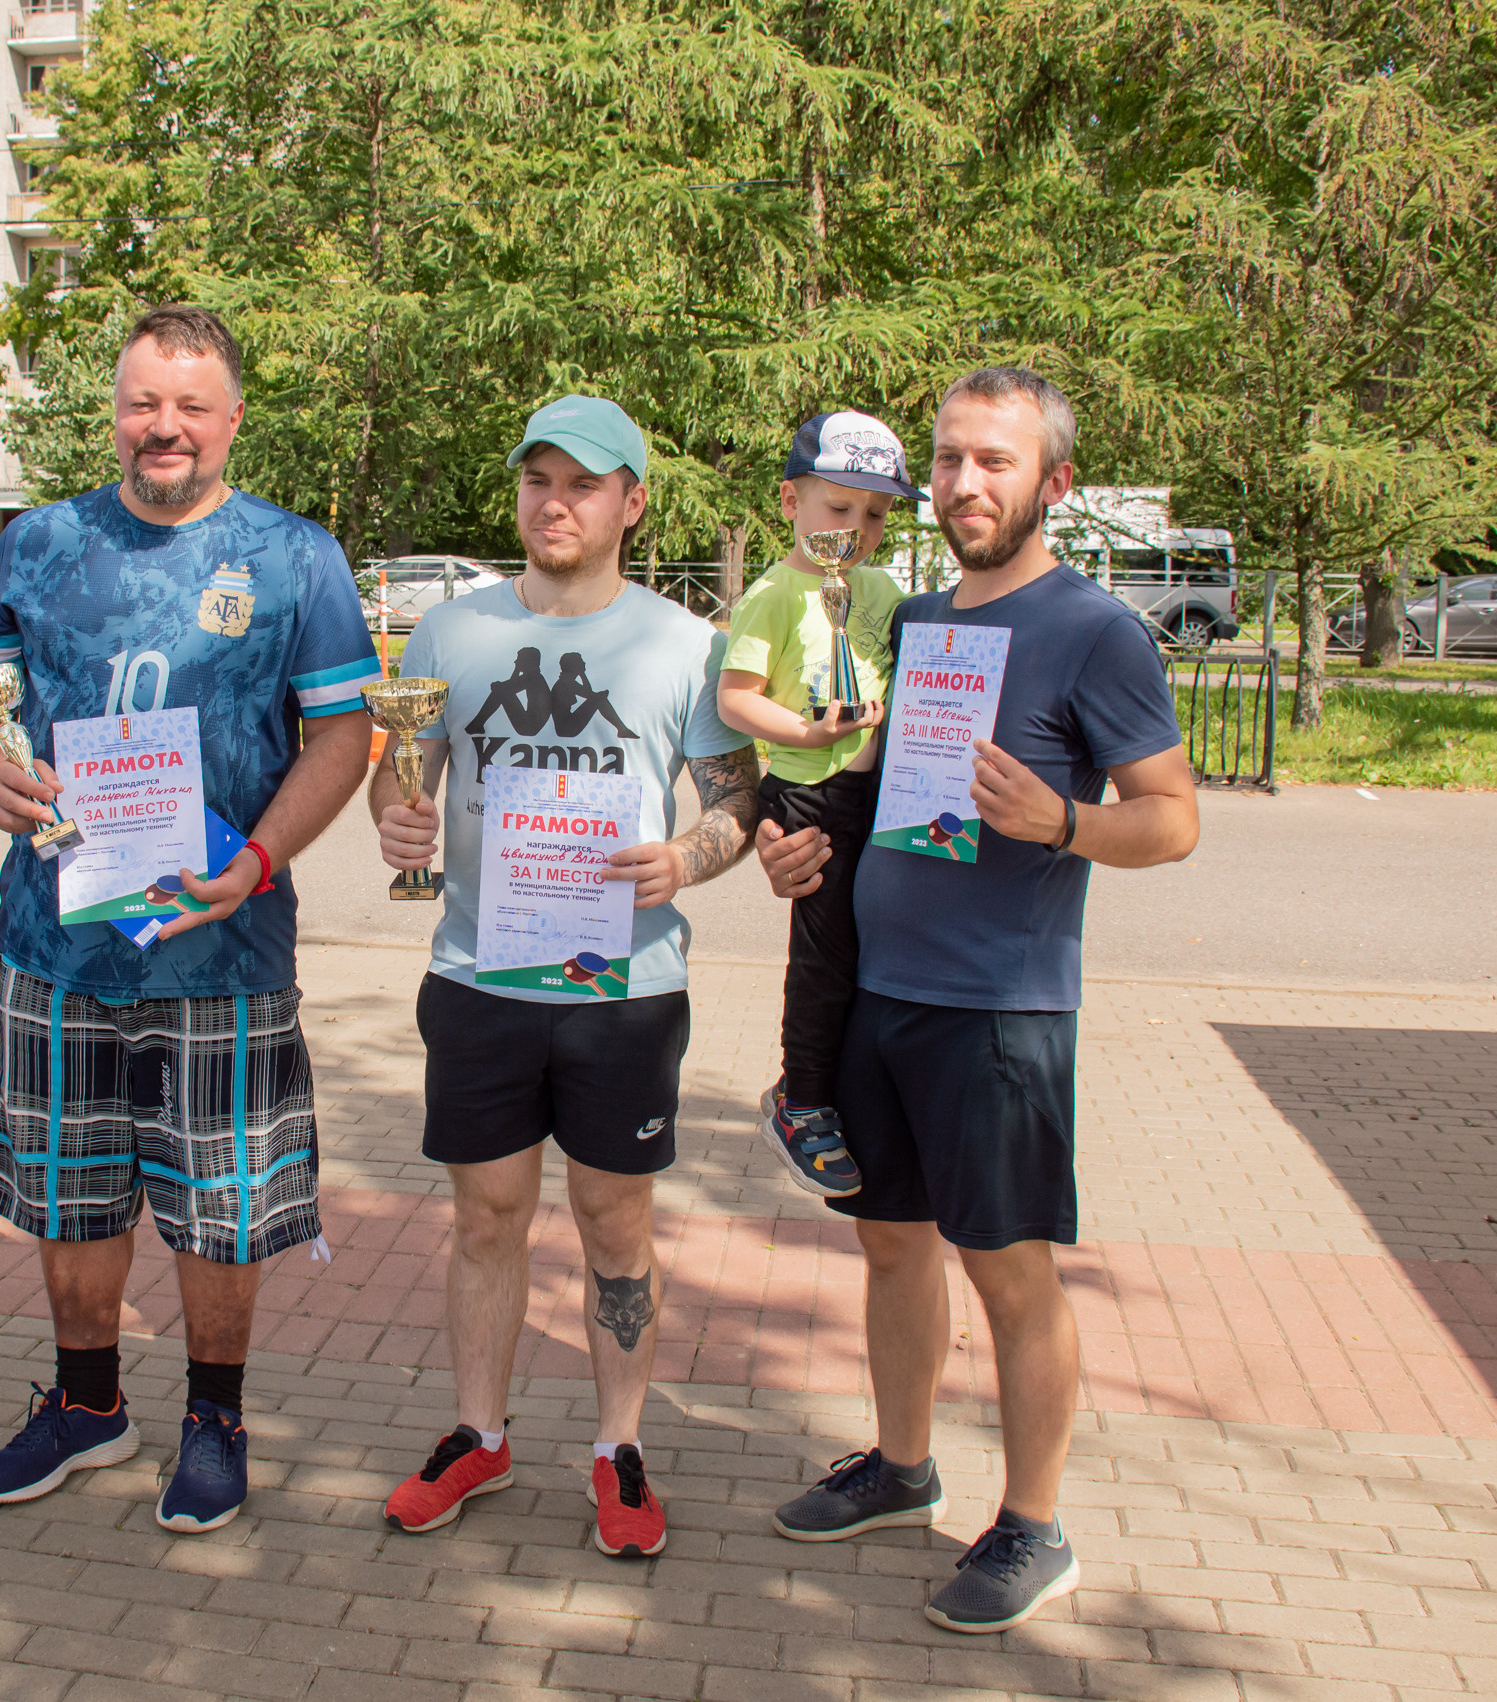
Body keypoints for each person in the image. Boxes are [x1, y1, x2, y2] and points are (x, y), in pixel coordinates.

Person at [756, 367, 1198, 1631]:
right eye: (948, 459)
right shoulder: (921, 622)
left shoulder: (1094, 631)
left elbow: (1171, 822)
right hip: (878, 993)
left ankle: (1033, 1524)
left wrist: (1060, 819)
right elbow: (891, 787)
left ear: (1050, 482)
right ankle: (901, 1468)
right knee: (888, 1241)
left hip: (998, 1011)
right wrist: (808, 851)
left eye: (993, 461)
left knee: (1008, 1268)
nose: (962, 482)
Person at [0, 305, 379, 1535]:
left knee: (218, 1201)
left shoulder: (295, 557)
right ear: (115, 411)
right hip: (54, 938)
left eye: (191, 406)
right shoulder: (36, 545)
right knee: (68, 1190)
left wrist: (259, 858)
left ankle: (215, 1419)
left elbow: (344, 733)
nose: (164, 427)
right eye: (144, 402)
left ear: (233, 418)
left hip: (223, 941)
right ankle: (88, 1406)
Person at [370, 396, 761, 1560]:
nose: (555, 501)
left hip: (622, 990)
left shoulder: (686, 645)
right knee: (486, 1216)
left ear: (631, 502)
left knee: (610, 1221)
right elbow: (407, 770)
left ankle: (618, 1446)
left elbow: (739, 801)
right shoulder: (450, 631)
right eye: (538, 478)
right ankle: (478, 1434)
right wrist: (398, 823)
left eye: (583, 483)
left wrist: (683, 857)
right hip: (481, 980)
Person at [714, 411, 921, 1198]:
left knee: (875, 947)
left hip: (877, 794)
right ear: (790, 500)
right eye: (838, 509)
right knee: (827, 956)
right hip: (809, 795)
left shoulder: (882, 590)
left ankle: (854, 1083)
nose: (858, 528)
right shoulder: (773, 592)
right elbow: (737, 701)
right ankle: (800, 1100)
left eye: (875, 514)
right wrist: (804, 728)